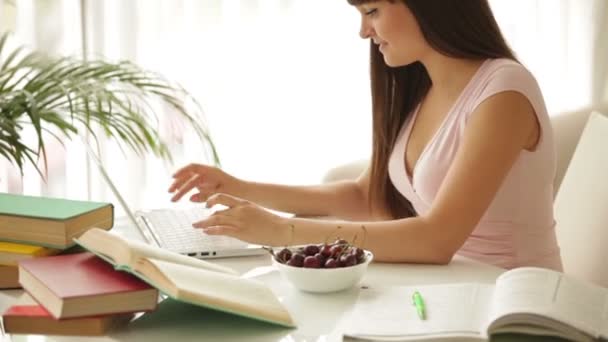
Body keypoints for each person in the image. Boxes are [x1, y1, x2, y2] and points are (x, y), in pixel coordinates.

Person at [168, 0, 563, 271]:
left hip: (513, 304)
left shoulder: (503, 92)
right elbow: (367, 196)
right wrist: (240, 187)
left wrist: (282, 231)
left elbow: (437, 240)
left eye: (372, 10)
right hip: (453, 288)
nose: (363, 31)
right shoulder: (423, 89)